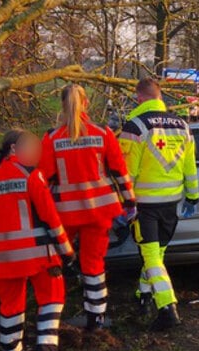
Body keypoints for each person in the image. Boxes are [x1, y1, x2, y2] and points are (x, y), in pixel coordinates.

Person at [0, 130, 74, 351]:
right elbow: (50, 217)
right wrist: (66, 250)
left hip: (2, 259)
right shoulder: (32, 176)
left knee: (10, 306)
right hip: (39, 255)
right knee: (52, 298)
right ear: (14, 149)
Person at [40, 84, 136, 330]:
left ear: (63, 105)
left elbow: (44, 179)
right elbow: (119, 171)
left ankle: (51, 319)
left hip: (65, 213)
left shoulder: (52, 138)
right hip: (99, 211)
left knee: (56, 263)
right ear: (86, 104)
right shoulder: (103, 133)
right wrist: (130, 201)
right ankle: (96, 319)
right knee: (94, 264)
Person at [118, 77, 199, 331]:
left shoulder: (134, 127)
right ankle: (143, 295)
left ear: (139, 98)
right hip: (171, 202)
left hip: (145, 205)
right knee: (156, 254)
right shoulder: (183, 125)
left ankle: (167, 308)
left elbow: (127, 173)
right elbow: (190, 166)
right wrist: (193, 196)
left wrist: (125, 202)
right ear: (160, 97)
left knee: (151, 256)